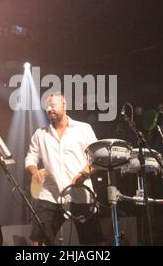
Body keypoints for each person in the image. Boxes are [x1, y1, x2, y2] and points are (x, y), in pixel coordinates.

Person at [25, 92, 104, 245]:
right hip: (50, 194)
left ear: (64, 105)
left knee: (92, 241)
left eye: (53, 105)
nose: (49, 109)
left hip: (81, 195)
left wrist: (83, 174)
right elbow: (30, 157)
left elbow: (96, 158)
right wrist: (34, 171)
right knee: (38, 240)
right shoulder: (40, 134)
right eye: (47, 106)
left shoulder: (83, 128)